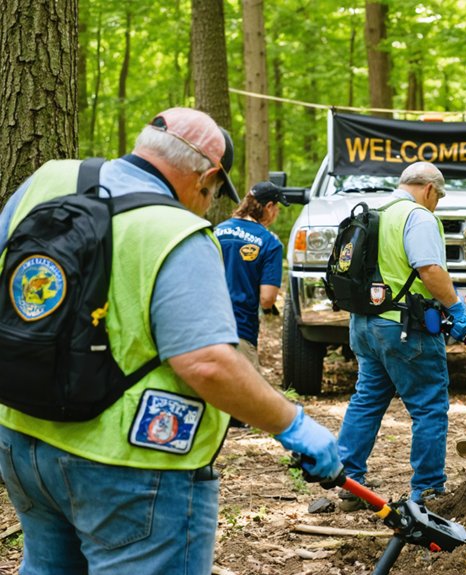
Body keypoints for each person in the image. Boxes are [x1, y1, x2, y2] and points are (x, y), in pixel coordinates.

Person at [0, 107, 342, 573]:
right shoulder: (178, 233)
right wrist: (293, 424)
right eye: (215, 192)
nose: (209, 203)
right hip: (129, 468)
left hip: (23, 440)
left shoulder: (48, 179)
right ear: (207, 176)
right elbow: (207, 362)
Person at [336, 161, 466, 511]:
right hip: (403, 328)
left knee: (367, 401)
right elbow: (429, 269)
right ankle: (427, 491)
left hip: (364, 325)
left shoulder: (374, 213)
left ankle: (349, 483)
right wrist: (456, 307)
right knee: (429, 407)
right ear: (429, 189)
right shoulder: (418, 216)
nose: (436, 204)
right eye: (438, 198)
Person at [215, 181, 288, 367]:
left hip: (206, 329)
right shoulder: (270, 243)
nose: (277, 213)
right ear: (269, 206)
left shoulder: (217, 231)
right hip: (240, 330)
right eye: (277, 208)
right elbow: (267, 299)